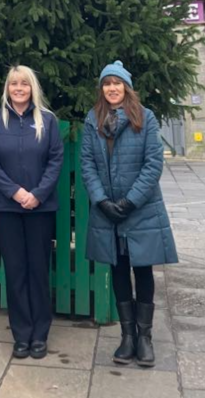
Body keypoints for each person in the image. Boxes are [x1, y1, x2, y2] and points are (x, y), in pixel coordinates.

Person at [81, 60, 178, 367]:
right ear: (102, 89)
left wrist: (130, 202)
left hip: (141, 209)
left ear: (126, 87)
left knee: (144, 271)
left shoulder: (145, 118)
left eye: (117, 83)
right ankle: (127, 336)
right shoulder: (92, 119)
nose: (112, 88)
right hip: (107, 210)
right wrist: (102, 201)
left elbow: (153, 165)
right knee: (119, 269)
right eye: (107, 84)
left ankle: (145, 338)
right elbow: (87, 165)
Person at [0, 65, 63, 359]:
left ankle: (40, 334)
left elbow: (55, 160)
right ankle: (21, 334)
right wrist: (15, 192)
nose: (18, 88)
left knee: (38, 271)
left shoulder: (48, 121)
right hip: (6, 208)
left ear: (32, 88)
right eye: (14, 83)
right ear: (8, 88)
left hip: (40, 209)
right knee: (15, 271)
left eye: (24, 84)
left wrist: (37, 195)